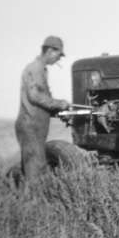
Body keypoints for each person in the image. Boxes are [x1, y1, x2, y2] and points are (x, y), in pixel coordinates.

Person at [16, 35, 71, 180]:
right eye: (59, 55)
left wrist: (58, 110)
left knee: (34, 167)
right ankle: (34, 201)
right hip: (31, 125)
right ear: (50, 51)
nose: (58, 59)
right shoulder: (35, 68)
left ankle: (29, 198)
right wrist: (59, 104)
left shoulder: (41, 69)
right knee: (36, 168)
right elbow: (34, 96)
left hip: (36, 126)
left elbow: (41, 99)